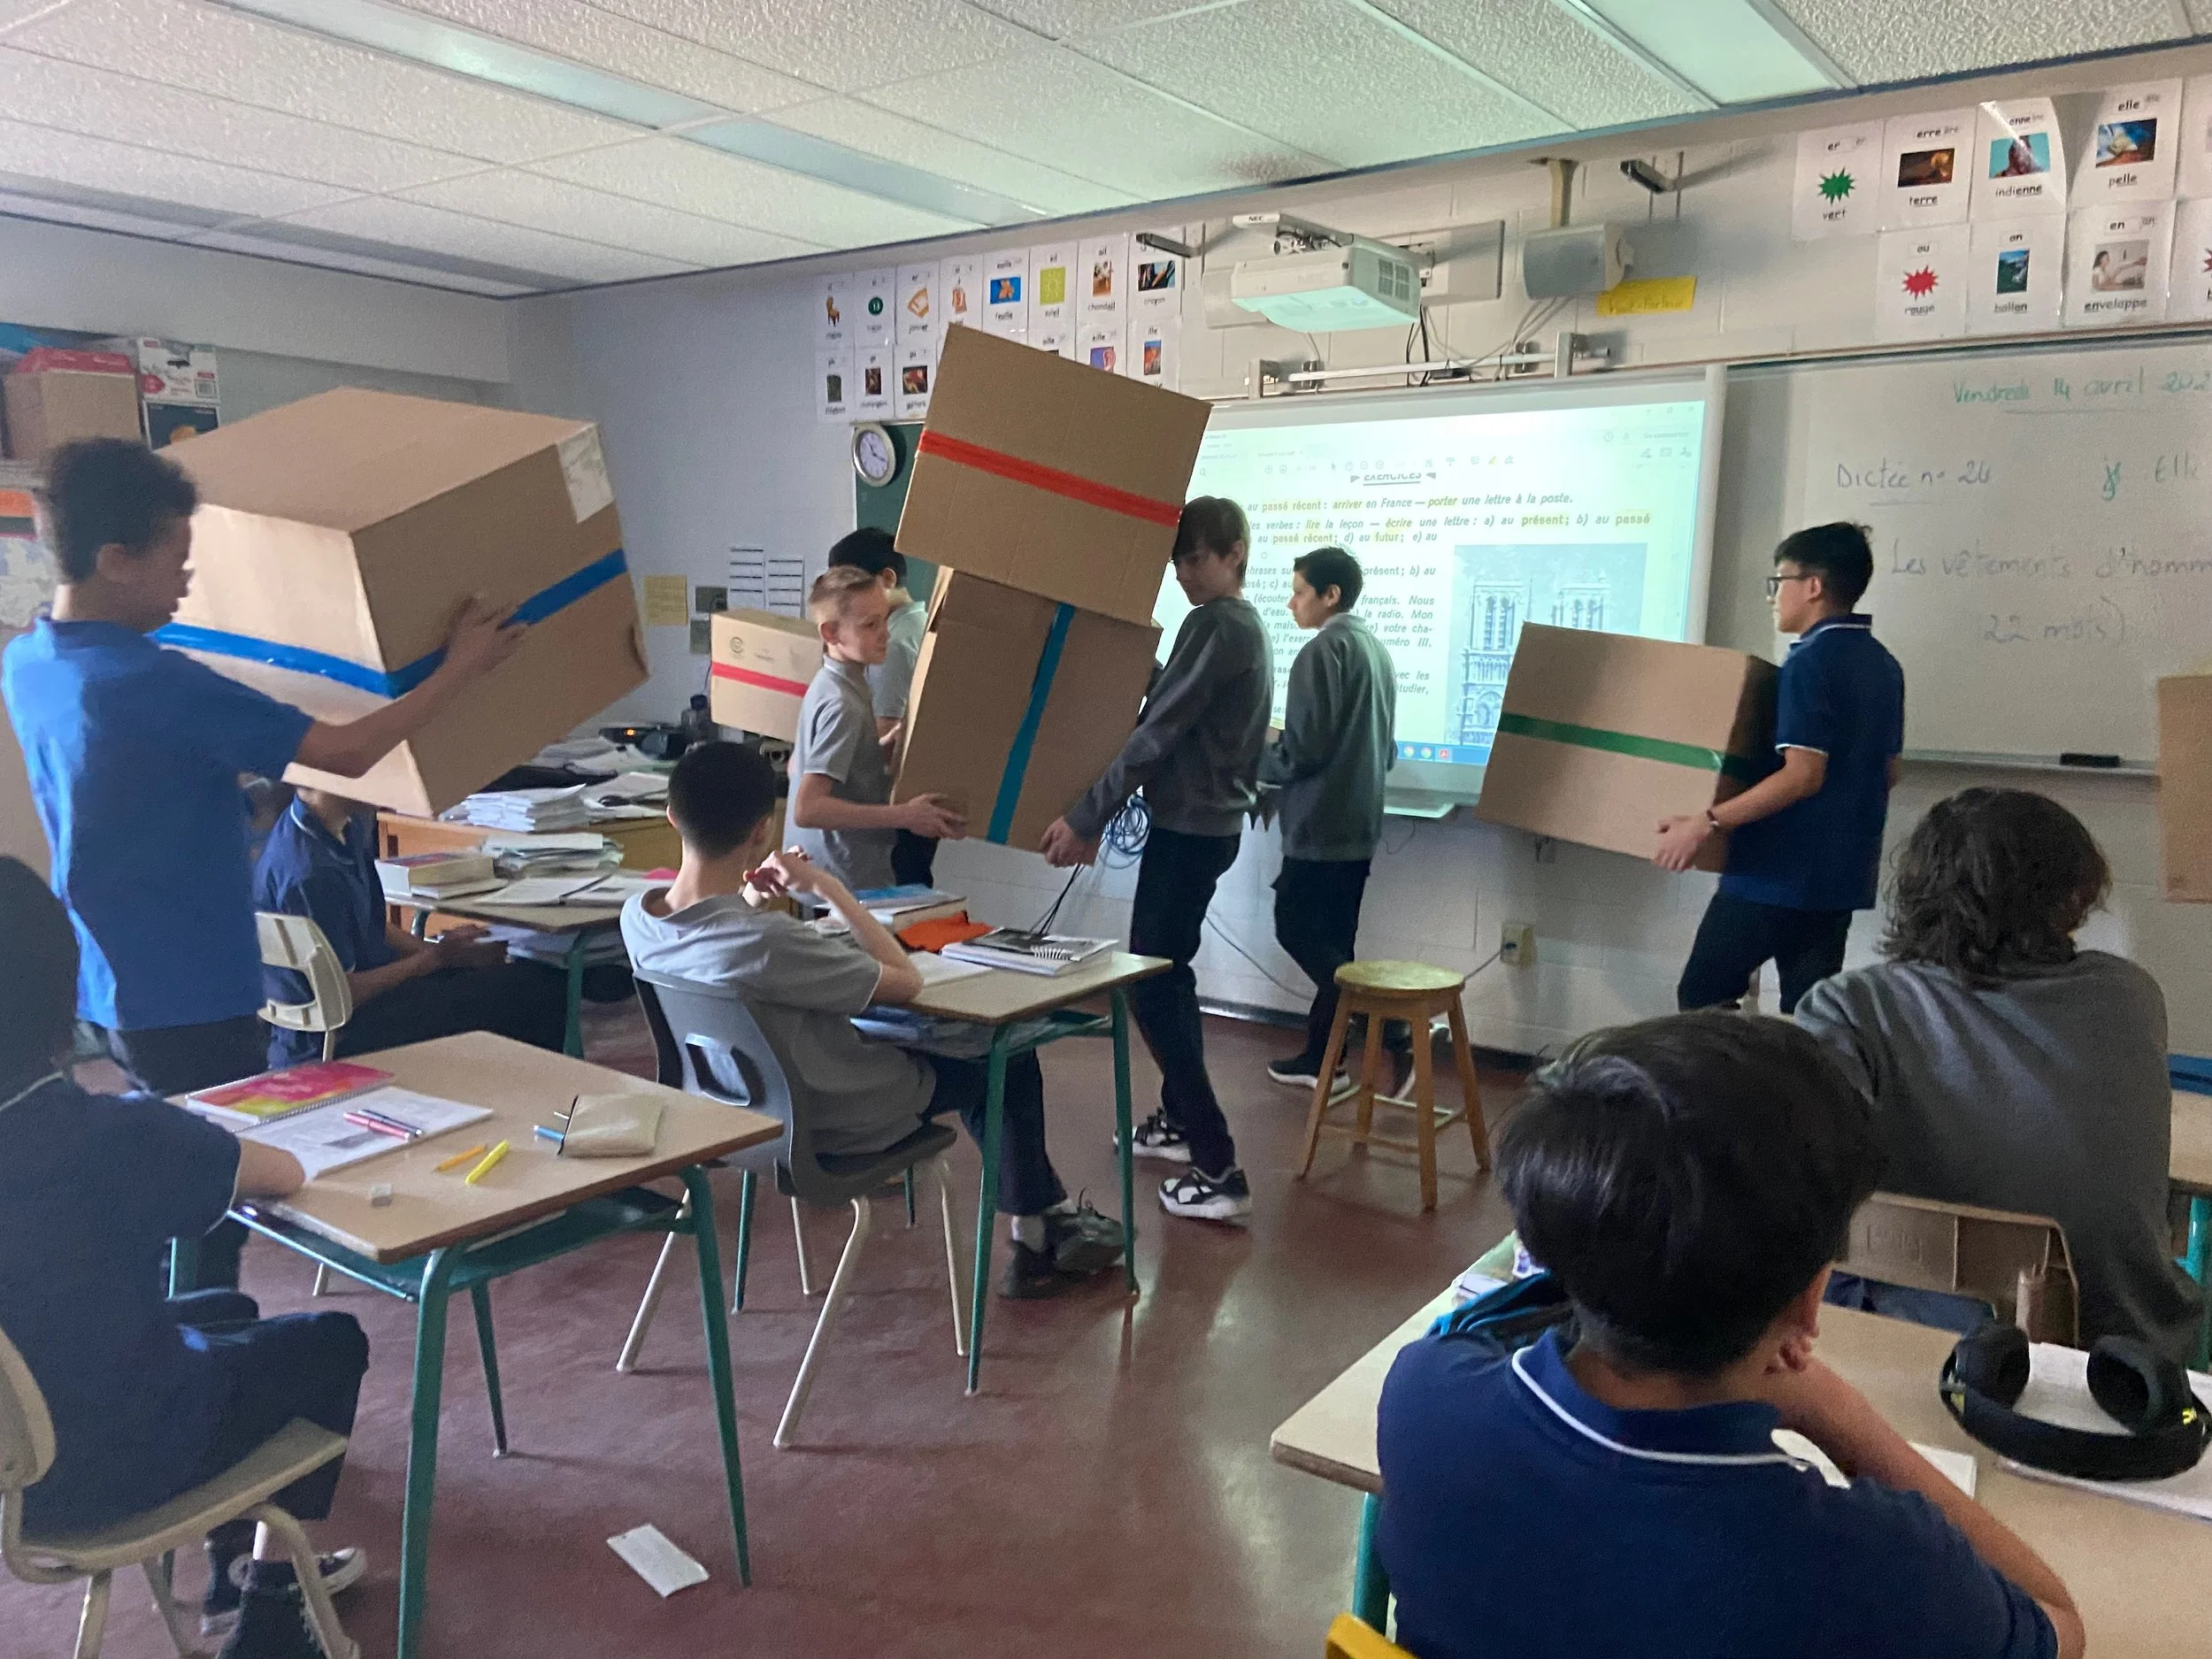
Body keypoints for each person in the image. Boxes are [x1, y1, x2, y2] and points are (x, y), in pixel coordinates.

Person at [1376, 1010, 2083, 1659]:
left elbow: (1481, 1334)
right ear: (1810, 1301)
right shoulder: (1871, 1563)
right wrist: (1832, 1409)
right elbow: (2060, 1625)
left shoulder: (1424, 1398)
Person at [3, 439, 524, 1286]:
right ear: (116, 559)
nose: (188, 581)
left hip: (107, 972)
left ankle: (178, 1313)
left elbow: (137, 782)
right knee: (213, 1191)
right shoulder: (148, 678)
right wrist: (465, 665)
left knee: (169, 1171)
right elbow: (346, 753)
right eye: (177, 560)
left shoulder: (30, 660)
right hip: (190, 986)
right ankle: (201, 1333)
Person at [0, 857, 372, 1659]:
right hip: (114, 1461)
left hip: (15, 1464)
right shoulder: (110, 1137)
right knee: (330, 1341)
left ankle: (231, 1559)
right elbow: (282, 1173)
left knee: (227, 1310)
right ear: (64, 1008)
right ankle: (270, 1607)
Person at [622, 741, 1122, 1298]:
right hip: (828, 1120)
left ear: (672, 815)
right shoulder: (768, 941)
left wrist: (750, 897)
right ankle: (1035, 1232)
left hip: (729, 1114)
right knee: (1007, 1057)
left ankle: (1047, 1218)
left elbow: (716, 940)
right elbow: (905, 982)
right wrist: (828, 888)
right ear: (762, 831)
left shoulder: (639, 919)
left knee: (918, 1039)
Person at [1796, 787, 2203, 1364]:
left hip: (1939, 1350)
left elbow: (1801, 1174)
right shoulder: (2130, 994)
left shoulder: (1851, 1006)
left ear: (1916, 893)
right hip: (2134, 1345)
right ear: (2074, 896)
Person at [1041, 497, 1272, 1223]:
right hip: (1205, 827)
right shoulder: (1237, 625)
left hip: (1191, 830)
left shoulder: (1219, 623)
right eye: (1177, 562)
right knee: (1169, 974)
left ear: (1234, 553)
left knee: (1150, 984)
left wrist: (1086, 816)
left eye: (1196, 558)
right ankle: (1177, 1117)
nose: (1184, 574)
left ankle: (1218, 1165)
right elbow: (1179, 703)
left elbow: (1156, 734)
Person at [1657, 521, 1905, 1015]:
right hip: (1840, 878)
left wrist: (1706, 822)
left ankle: (1731, 1072)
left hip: (1775, 873)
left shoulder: (1810, 661)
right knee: (1809, 1015)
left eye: (1779, 581)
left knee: (1703, 999)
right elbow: (1891, 771)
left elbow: (1803, 775)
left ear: (1813, 586)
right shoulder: (1883, 664)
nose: (1773, 597)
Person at [252, 787, 566, 1068]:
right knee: (533, 988)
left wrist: (443, 953)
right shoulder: (313, 873)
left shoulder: (333, 829)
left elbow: (372, 924)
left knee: (500, 975)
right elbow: (345, 993)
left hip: (362, 1000)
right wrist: (436, 958)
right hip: (342, 1031)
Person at [1256, 546, 1400, 1091]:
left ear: (1330, 595)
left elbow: (1304, 751)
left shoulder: (1322, 651)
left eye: (1299, 592)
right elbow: (1386, 751)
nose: (1291, 603)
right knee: (1338, 949)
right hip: (1359, 826)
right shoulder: (1377, 651)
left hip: (1320, 826)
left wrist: (1253, 758)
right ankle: (1324, 1061)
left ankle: (1386, 1024)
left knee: (1293, 926)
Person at [787, 563, 963, 893]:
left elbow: (825, 766)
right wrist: (904, 815)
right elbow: (808, 809)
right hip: (845, 881)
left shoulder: (837, 681)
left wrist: (880, 747)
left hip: (834, 872)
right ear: (831, 633)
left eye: (884, 619)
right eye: (870, 625)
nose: (885, 634)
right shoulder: (842, 704)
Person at [825, 526, 938, 888]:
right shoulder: (922, 624)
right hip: (906, 806)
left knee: (896, 903)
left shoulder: (893, 644)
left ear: (887, 579)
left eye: (851, 589)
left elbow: (884, 737)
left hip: (893, 812)